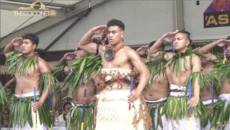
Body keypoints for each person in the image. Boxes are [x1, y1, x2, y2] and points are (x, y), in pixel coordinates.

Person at [78, 19, 151, 130]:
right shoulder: (102, 50)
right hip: (106, 99)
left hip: (125, 98)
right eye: (108, 32)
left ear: (122, 34)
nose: (110, 35)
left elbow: (145, 72)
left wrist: (138, 90)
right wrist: (92, 31)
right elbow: (82, 44)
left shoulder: (128, 52)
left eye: (114, 32)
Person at [149, 30, 208, 130]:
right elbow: (151, 53)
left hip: (187, 98)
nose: (175, 41)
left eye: (179, 39)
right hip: (172, 100)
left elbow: (196, 76)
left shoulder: (194, 57)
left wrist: (196, 96)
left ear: (187, 42)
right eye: (174, 39)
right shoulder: (170, 57)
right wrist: (162, 38)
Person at [4, 33, 59, 130]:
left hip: (33, 102)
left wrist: (41, 102)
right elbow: (7, 53)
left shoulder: (40, 62)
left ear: (34, 46)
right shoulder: (17, 59)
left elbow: (48, 84)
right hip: (18, 103)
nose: (23, 45)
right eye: (22, 43)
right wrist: (12, 44)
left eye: (26, 43)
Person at [54, 48, 100, 130]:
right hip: (74, 108)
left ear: (88, 56)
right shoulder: (72, 71)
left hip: (87, 109)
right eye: (76, 53)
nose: (76, 55)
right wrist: (64, 58)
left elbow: (103, 89)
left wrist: (91, 99)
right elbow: (58, 68)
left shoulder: (92, 73)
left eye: (79, 53)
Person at [192, 36, 230, 129]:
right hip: (222, 104)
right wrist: (217, 43)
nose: (228, 49)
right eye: (226, 46)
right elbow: (198, 52)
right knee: (221, 126)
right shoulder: (222, 63)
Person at [136, 42, 170, 130]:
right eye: (149, 51)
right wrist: (136, 54)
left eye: (155, 52)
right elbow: (130, 74)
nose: (151, 54)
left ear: (162, 53)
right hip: (145, 105)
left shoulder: (168, 68)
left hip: (161, 106)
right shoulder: (144, 68)